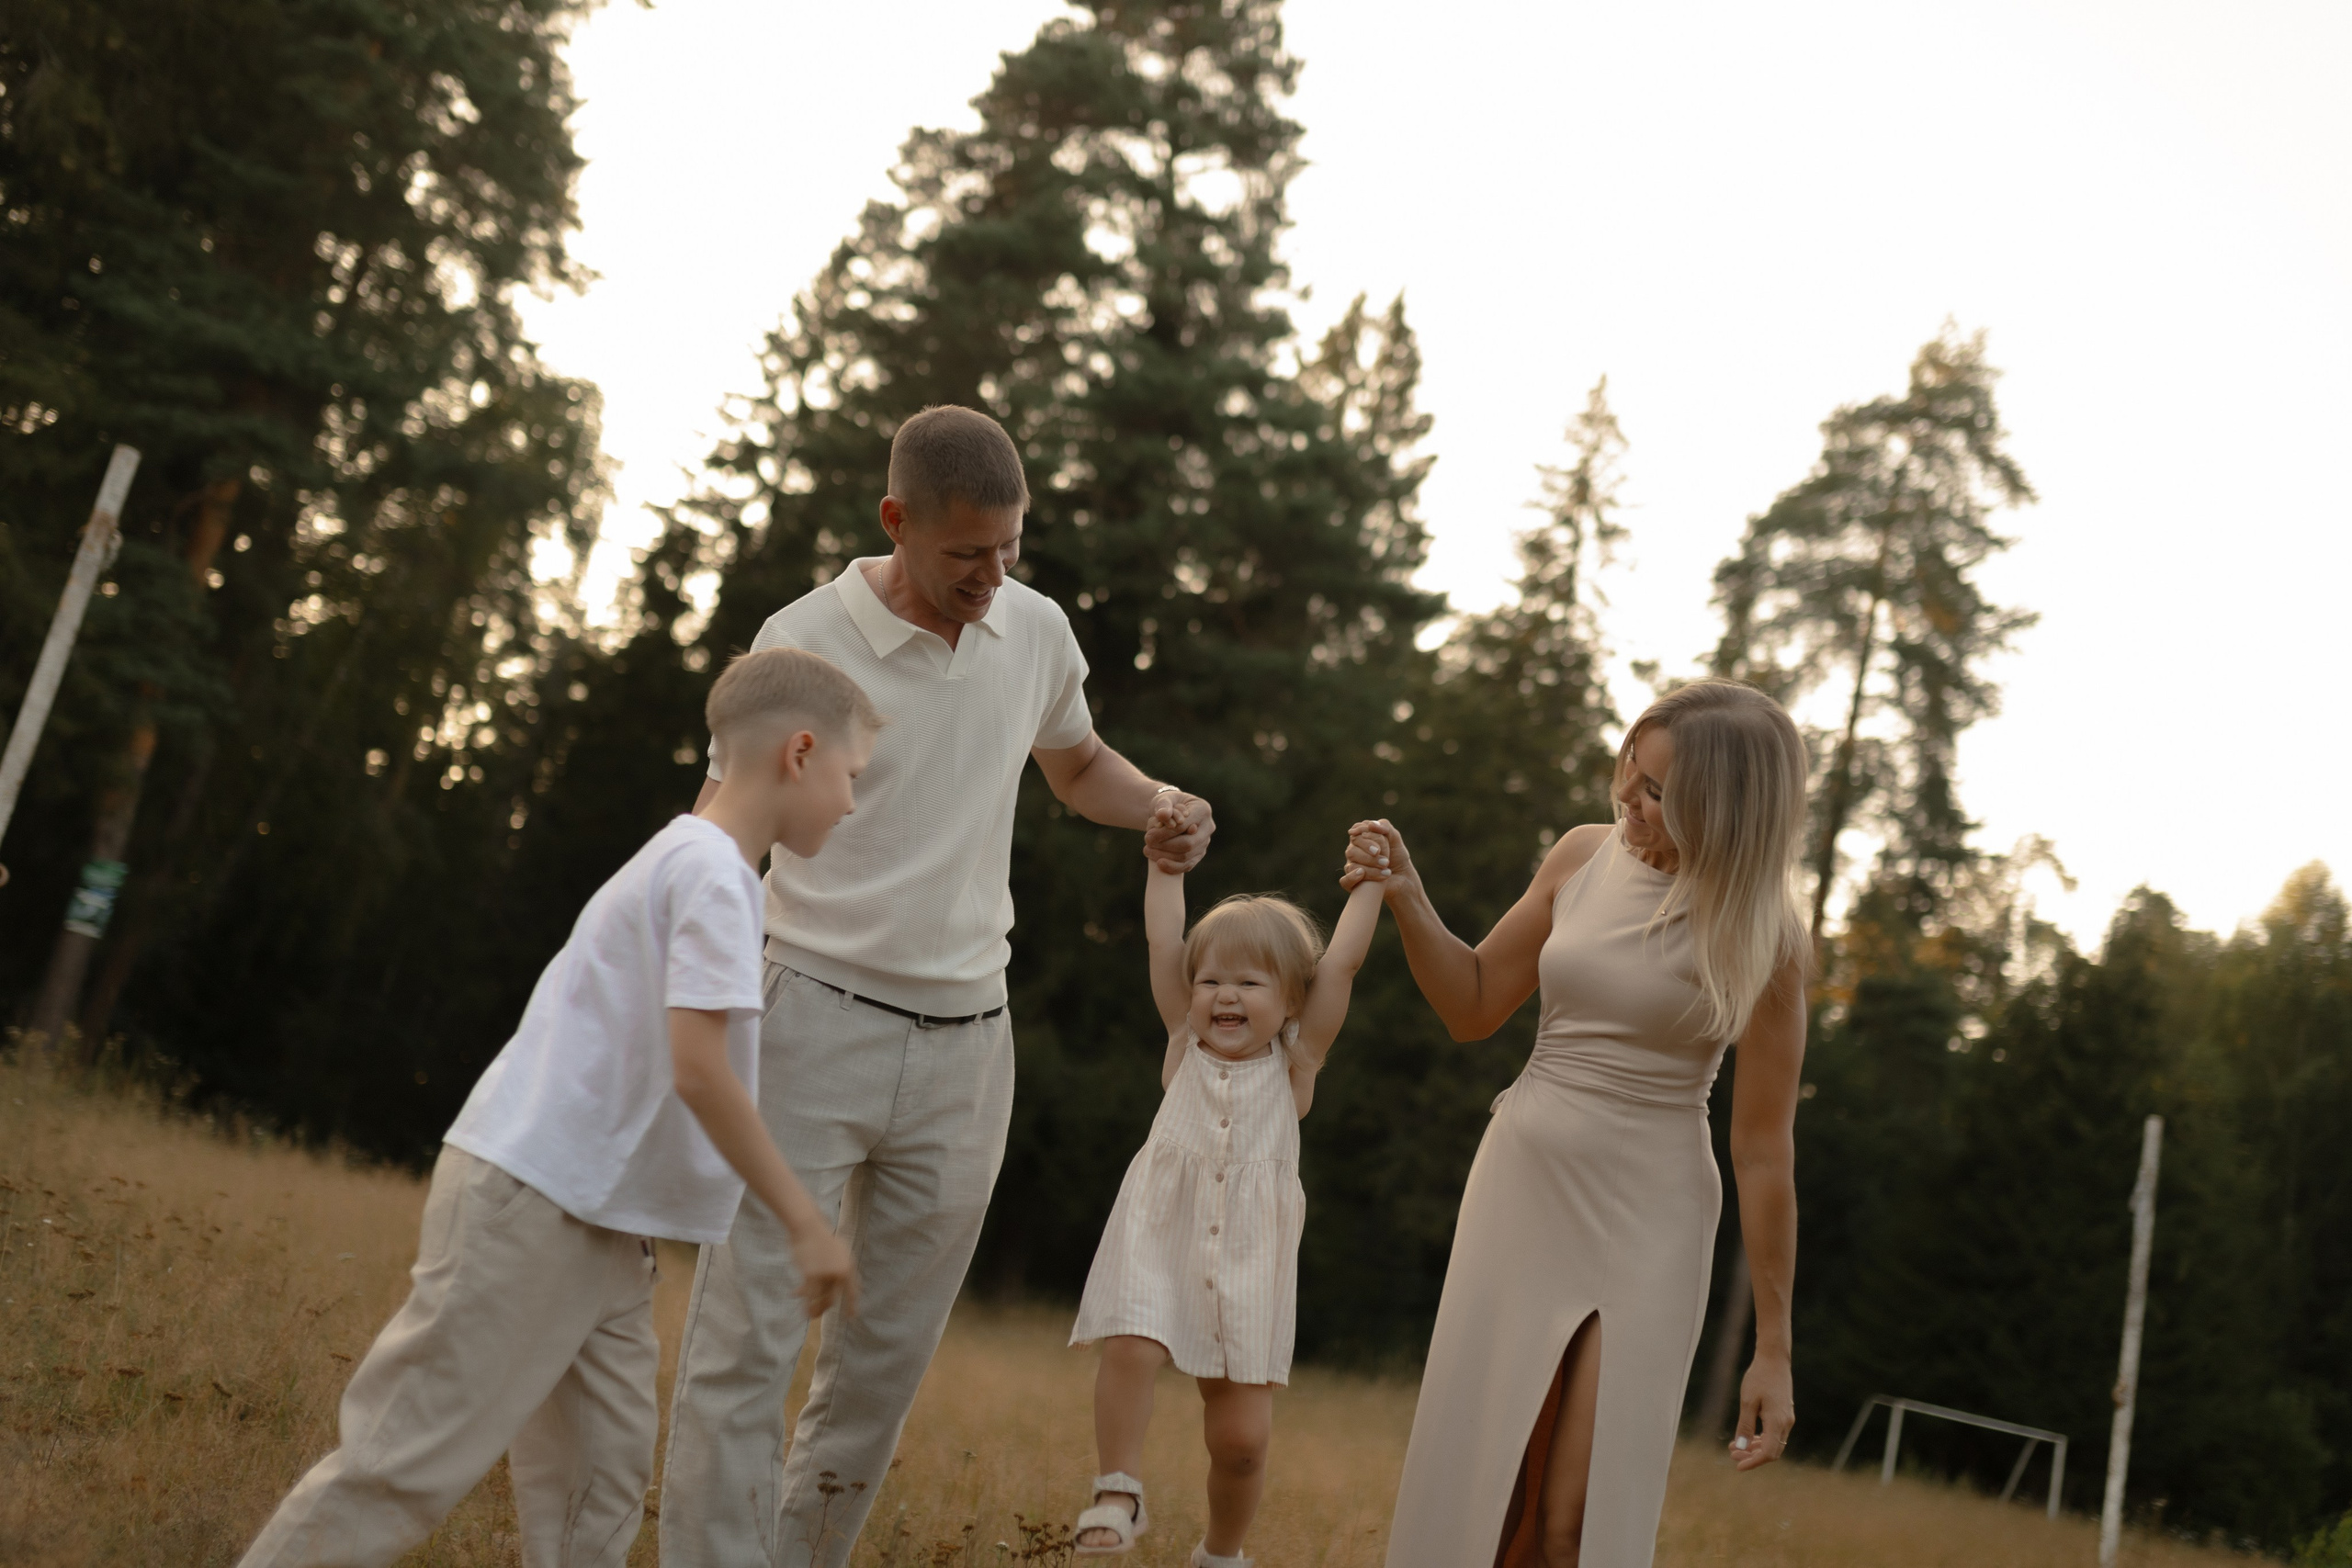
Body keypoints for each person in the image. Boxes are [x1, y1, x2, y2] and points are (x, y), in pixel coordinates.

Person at [661, 404, 1216, 1568]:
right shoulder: (803, 640)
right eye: (967, 553)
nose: (992, 576)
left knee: (882, 1362)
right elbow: (731, 831)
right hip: (808, 1015)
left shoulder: (1036, 629)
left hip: (970, 1048)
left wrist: (1158, 803)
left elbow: (1075, 763)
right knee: (747, 1341)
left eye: (1010, 549)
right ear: (896, 521)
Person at [235, 647, 878, 1568]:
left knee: (602, 1475)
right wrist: (806, 1221)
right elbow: (701, 1071)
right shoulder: (715, 877)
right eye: (851, 778)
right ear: (800, 752)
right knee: (402, 1465)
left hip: (598, 1225)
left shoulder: (697, 860)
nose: (852, 804)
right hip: (535, 1206)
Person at [1348, 678, 1810, 1568]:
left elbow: (1761, 1153)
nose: (1630, 804)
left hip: (1656, 1217)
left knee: (1577, 1522)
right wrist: (1408, 894)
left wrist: (1774, 1351)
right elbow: (1473, 1003)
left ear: (1727, 810)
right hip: (1523, 1180)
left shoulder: (1770, 940)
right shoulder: (1578, 856)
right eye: (1630, 775)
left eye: (1658, 795)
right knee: (1485, 1488)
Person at [1064, 814, 1388, 1566]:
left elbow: (1339, 966)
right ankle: (1119, 1489)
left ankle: (1221, 1554)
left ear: (1291, 1000)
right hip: (1159, 1225)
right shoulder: (1184, 1038)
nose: (1225, 995)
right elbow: (1162, 943)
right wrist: (1166, 866)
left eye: (1249, 981)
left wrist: (1372, 882)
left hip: (1250, 1256)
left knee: (1241, 1442)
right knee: (1132, 1343)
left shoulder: (1297, 1063)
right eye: (1212, 980)